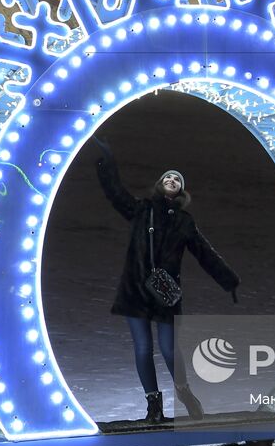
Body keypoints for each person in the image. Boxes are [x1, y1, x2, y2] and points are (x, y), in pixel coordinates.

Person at [92, 137, 240, 424]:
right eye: (167, 177)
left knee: (170, 349)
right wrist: (106, 162)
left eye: (177, 178)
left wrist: (229, 280)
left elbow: (204, 253)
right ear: (160, 184)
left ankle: (185, 394)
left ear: (182, 189)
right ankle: (153, 405)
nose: (172, 179)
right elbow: (114, 192)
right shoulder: (141, 209)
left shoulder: (185, 221)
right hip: (135, 289)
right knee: (143, 348)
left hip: (166, 293)